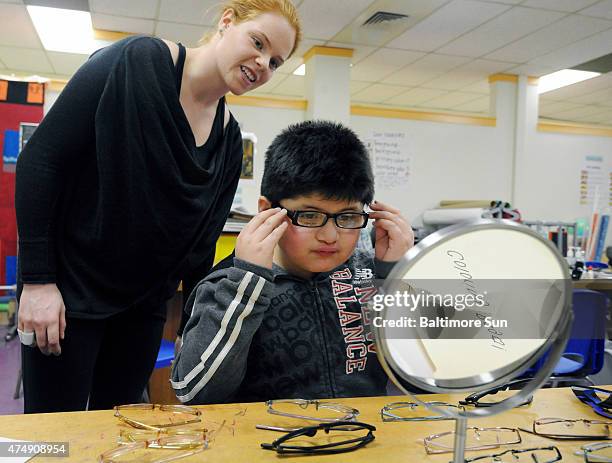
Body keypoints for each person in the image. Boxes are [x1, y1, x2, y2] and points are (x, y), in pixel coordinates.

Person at [15, 0, 301, 413]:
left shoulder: (228, 140)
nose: (262, 64)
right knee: (54, 439)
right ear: (226, 22)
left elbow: (200, 250)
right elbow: (41, 162)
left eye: (275, 62)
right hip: (66, 295)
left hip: (142, 310)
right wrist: (39, 283)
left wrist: (192, 325)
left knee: (121, 430)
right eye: (257, 43)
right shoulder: (136, 61)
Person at [171, 120, 414, 404]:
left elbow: (425, 379)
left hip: (364, 438)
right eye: (310, 216)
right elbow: (193, 391)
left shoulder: (370, 274)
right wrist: (248, 282)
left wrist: (395, 278)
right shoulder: (227, 284)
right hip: (266, 442)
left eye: (347, 217)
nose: (330, 236)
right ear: (267, 210)